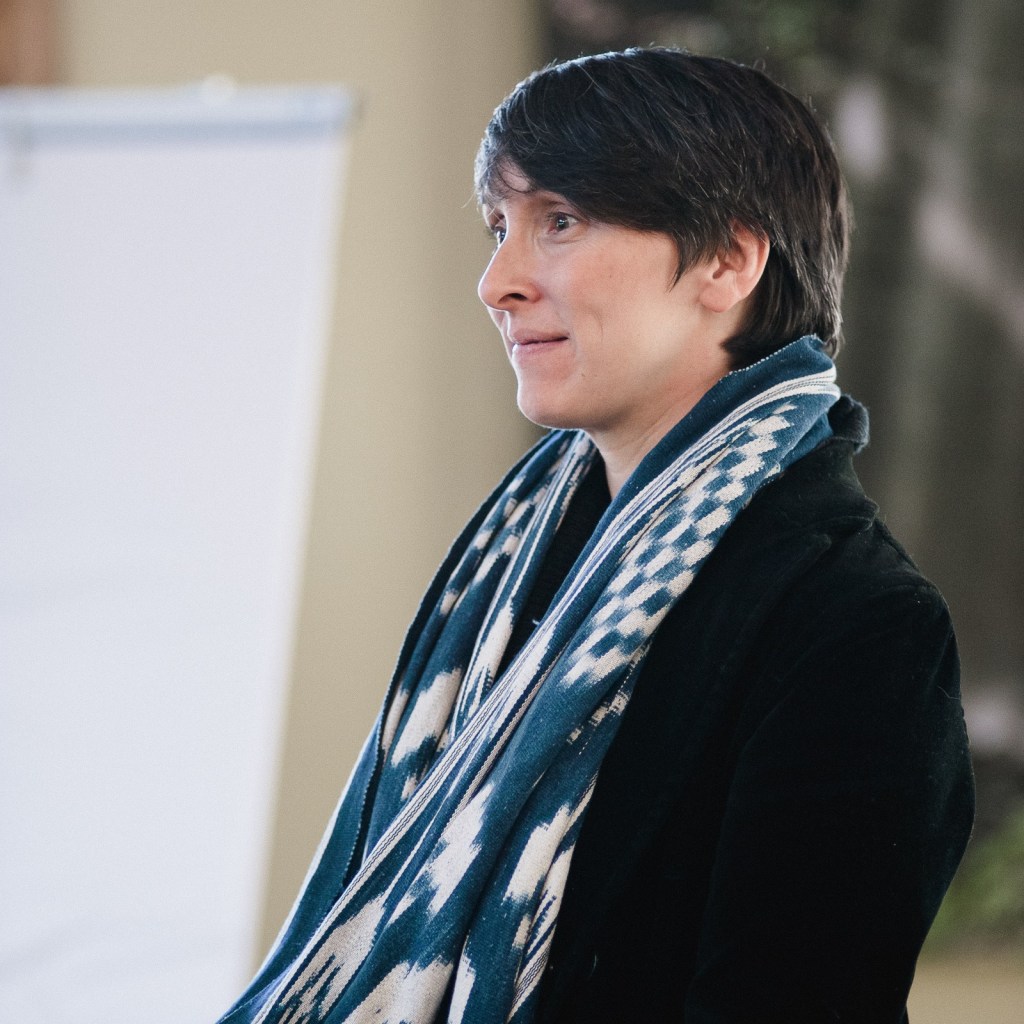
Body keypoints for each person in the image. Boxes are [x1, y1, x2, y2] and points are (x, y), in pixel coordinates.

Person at [218, 48, 974, 1024]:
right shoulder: (507, 567)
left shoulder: (858, 628)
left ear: (727, 261)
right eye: (499, 227)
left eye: (560, 221)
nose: (497, 280)